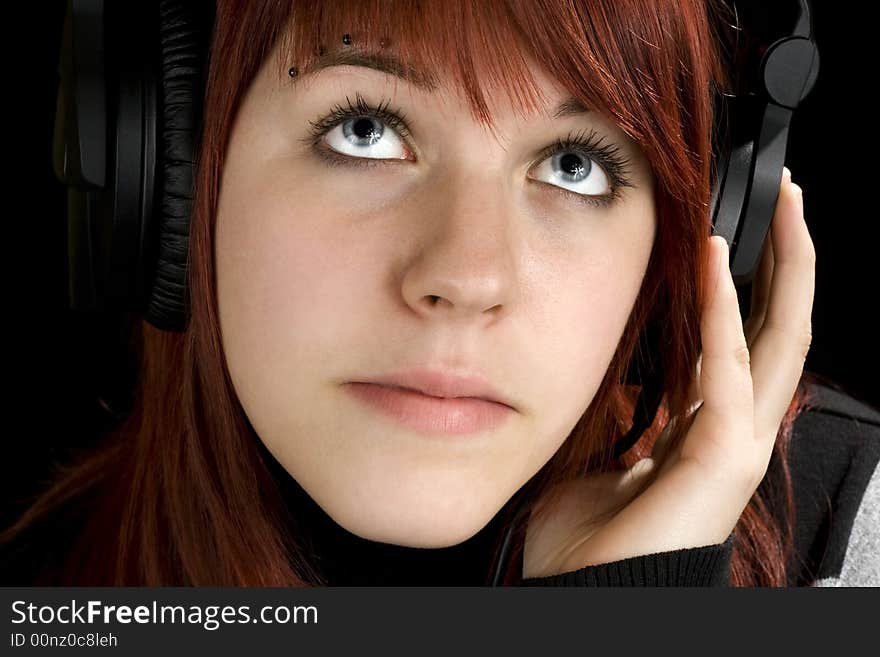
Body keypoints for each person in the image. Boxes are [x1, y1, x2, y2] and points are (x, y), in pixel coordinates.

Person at [2, 0, 878, 587]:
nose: (466, 278)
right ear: (170, 177)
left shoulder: (855, 538)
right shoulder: (45, 577)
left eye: (573, 164)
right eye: (367, 130)